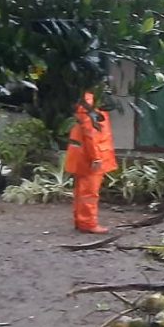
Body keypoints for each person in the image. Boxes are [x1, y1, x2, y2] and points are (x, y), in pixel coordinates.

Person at [65, 91, 117, 234]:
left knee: (81, 190)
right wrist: (96, 157)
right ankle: (87, 222)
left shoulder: (86, 100)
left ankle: (82, 220)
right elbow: (91, 133)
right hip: (90, 154)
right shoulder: (90, 102)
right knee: (89, 191)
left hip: (84, 152)